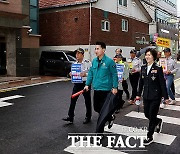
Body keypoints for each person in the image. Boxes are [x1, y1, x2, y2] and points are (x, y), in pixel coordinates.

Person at [136, 48, 169, 146]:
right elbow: (141, 83)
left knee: (152, 115)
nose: (147, 56)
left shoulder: (158, 68)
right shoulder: (143, 68)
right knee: (147, 114)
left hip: (155, 96)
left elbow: (162, 83)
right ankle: (158, 121)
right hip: (146, 95)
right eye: (146, 55)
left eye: (149, 55)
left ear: (154, 57)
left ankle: (149, 136)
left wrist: (165, 97)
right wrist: (138, 95)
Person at [84, 41, 118, 133]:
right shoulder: (94, 61)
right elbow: (90, 73)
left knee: (102, 112)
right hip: (97, 89)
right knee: (96, 108)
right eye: (95, 49)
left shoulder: (109, 62)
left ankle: (99, 132)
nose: (96, 50)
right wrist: (87, 84)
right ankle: (110, 117)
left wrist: (115, 87)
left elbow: (114, 74)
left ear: (103, 50)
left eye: (98, 48)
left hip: (106, 90)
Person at [62, 48, 92, 124]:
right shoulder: (75, 64)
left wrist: (86, 74)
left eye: (79, 54)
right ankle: (70, 116)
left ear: (82, 55)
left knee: (87, 100)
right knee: (73, 99)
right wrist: (71, 74)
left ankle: (88, 116)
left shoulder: (88, 63)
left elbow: (92, 73)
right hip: (77, 83)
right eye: (76, 54)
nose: (77, 55)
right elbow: (73, 73)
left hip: (85, 83)